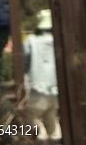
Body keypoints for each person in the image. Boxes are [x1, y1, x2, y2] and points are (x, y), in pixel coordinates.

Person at [24, 9, 61, 142]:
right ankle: (57, 138)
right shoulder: (57, 39)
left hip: (37, 86)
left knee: (34, 117)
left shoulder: (31, 40)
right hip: (56, 86)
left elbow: (24, 62)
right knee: (52, 117)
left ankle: (41, 138)